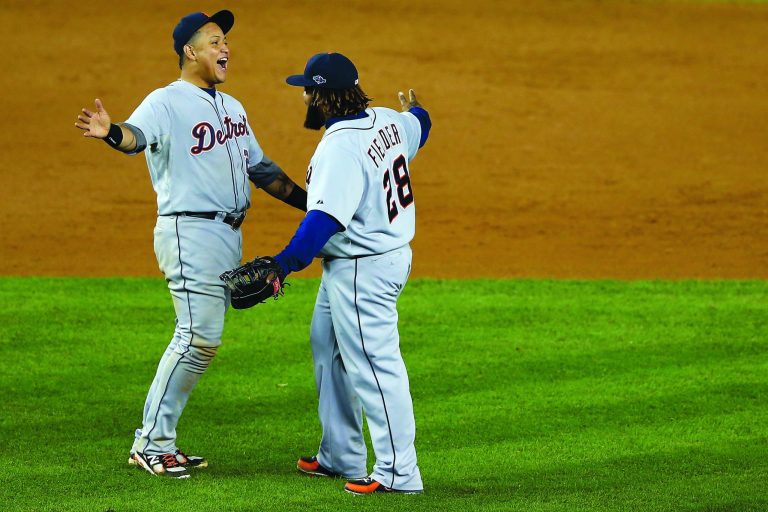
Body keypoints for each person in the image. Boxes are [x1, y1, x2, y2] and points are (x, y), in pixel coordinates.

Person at [74, 10, 307, 479]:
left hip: (227, 234)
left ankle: (160, 441)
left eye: (226, 42)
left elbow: (262, 171)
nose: (226, 49)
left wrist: (317, 207)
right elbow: (135, 137)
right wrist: (110, 133)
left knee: (201, 340)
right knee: (196, 338)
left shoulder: (234, 108)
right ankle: (151, 443)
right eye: (216, 41)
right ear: (190, 51)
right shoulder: (166, 102)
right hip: (189, 231)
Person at [258, 52, 431, 494]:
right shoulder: (388, 120)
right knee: (327, 346)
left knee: (375, 367)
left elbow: (324, 222)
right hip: (376, 257)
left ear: (324, 97)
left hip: (362, 269)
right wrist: (415, 108)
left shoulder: (340, 147)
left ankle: (398, 474)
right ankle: (341, 453)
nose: (304, 98)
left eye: (309, 91)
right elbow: (421, 124)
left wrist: (283, 264)